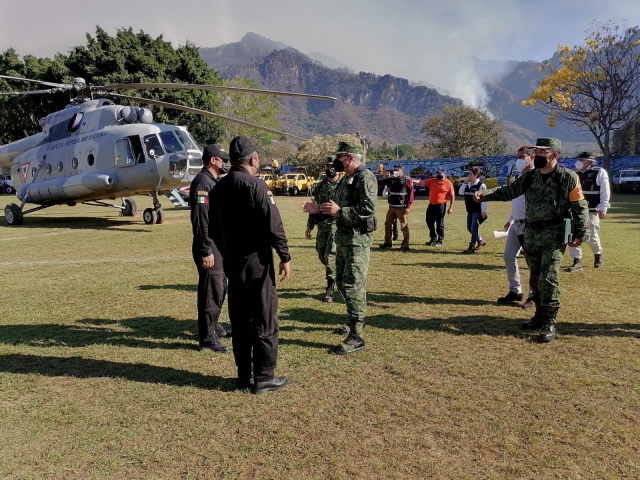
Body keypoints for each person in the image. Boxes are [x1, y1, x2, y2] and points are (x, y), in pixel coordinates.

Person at [474, 138, 590, 342]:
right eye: (536, 152)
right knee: (535, 277)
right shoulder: (531, 177)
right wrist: (484, 194)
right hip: (531, 234)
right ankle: (538, 316)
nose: (537, 156)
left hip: (554, 235)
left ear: (555, 155)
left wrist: (581, 234)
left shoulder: (568, 177)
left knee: (549, 278)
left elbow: (579, 207)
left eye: (542, 153)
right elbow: (509, 191)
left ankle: (549, 323)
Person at [210, 136, 291, 394]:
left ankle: (244, 375)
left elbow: (213, 230)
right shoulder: (256, 186)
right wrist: (285, 256)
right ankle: (264, 377)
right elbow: (273, 225)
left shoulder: (218, 188)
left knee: (241, 322)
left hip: (233, 265)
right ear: (253, 159)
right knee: (265, 320)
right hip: (258, 265)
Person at [302, 141, 377, 354]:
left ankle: (357, 337)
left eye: (341, 157)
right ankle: (355, 322)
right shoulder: (347, 179)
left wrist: (340, 212)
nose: (337, 162)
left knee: (353, 284)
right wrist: (318, 209)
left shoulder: (365, 177)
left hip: (357, 240)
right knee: (343, 283)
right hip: (343, 238)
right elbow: (334, 204)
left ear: (351, 157)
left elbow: (369, 208)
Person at [189, 144, 232, 353]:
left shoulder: (212, 181)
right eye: (222, 159)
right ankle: (207, 337)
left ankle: (214, 326)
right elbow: (201, 219)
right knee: (210, 291)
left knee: (219, 287)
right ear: (213, 160)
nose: (224, 162)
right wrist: (206, 249)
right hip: (209, 245)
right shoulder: (203, 182)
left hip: (216, 244)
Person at [497, 146, 535, 309]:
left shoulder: (536, 177)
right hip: (517, 223)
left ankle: (534, 296)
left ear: (531, 158)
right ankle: (515, 291)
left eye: (522, 156)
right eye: (517, 157)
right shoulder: (519, 176)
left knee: (533, 263)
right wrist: (511, 219)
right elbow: (517, 201)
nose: (519, 160)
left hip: (531, 225)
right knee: (508, 256)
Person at [565, 152, 610, 272]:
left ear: (589, 161)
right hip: (574, 210)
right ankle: (577, 261)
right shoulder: (574, 173)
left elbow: (605, 191)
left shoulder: (599, 172)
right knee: (572, 235)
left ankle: (598, 255)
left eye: (582, 159)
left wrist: (603, 208)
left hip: (591, 210)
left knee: (592, 236)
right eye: (578, 159)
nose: (579, 161)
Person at [305, 157, 341, 302]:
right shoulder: (321, 186)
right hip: (322, 225)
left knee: (330, 256)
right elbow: (315, 207)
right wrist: (309, 226)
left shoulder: (344, 185)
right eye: (327, 166)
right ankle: (338, 271)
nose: (329, 169)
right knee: (321, 254)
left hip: (336, 225)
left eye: (332, 166)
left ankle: (330, 287)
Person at [414, 169, 455, 246]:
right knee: (429, 221)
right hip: (431, 205)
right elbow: (421, 182)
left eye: (440, 174)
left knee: (440, 224)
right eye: (437, 174)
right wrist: (412, 180)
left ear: (444, 174)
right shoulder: (433, 180)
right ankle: (433, 238)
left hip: (441, 206)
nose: (438, 175)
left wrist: (451, 207)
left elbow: (452, 196)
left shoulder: (448, 183)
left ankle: (440, 240)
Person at [379, 163, 414, 250]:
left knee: (404, 226)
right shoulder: (391, 179)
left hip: (401, 207)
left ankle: (405, 245)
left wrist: (408, 207)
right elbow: (380, 182)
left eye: (397, 170)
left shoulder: (407, 180)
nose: (395, 172)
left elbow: (411, 194)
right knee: (388, 225)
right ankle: (388, 243)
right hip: (391, 207)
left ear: (402, 171)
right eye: (394, 170)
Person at [459, 167, 487, 254]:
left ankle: (472, 247)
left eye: (470, 174)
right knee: (469, 228)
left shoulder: (481, 185)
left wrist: (483, 210)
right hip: (470, 210)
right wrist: (464, 184)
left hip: (477, 210)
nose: (468, 176)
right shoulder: (467, 185)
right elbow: (460, 192)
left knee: (473, 228)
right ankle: (481, 240)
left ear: (476, 175)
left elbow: (484, 199)